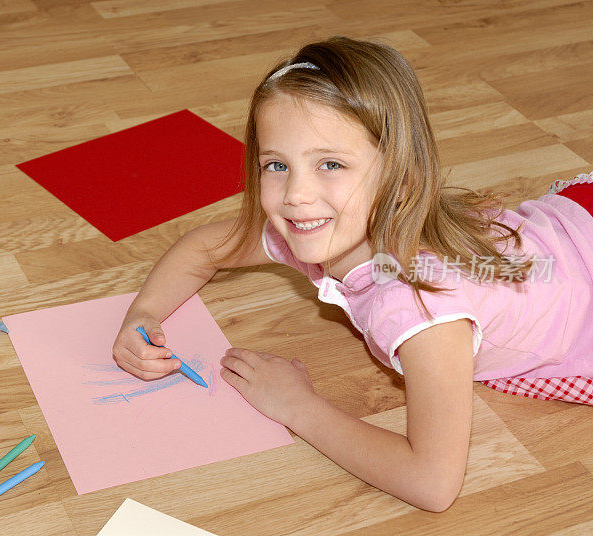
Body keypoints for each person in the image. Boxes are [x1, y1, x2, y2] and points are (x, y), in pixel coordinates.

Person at [111, 35, 593, 512]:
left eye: (331, 164)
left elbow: (432, 483)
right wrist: (144, 313)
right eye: (276, 164)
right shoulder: (319, 227)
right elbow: (202, 247)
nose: (296, 194)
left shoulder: (422, 308)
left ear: (401, 179)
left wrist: (295, 406)